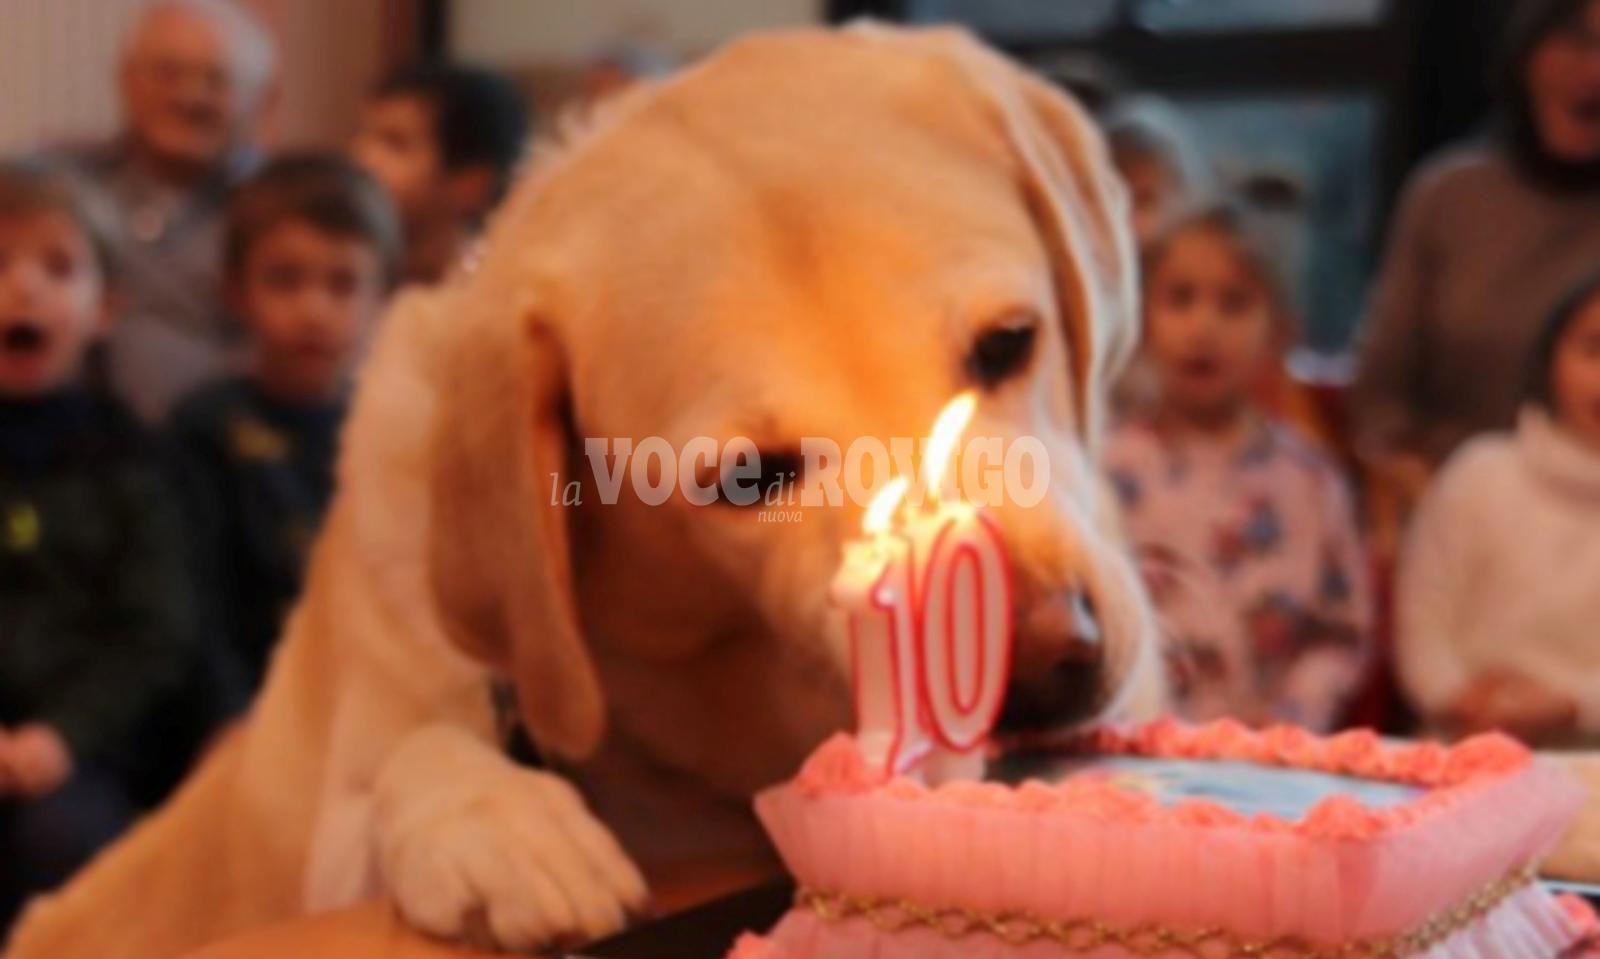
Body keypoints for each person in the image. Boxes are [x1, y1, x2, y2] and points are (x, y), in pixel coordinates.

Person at [0, 162, 196, 932]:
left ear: (105, 306)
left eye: (57, 267)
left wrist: (64, 734)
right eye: (0, 263)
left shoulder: (134, 459)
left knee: (62, 840)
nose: (22, 289)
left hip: (85, 751)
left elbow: (155, 633)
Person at [1104, 203, 1373, 731]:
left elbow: (1342, 631)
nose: (1203, 328)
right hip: (1135, 746)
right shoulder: (1105, 465)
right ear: (1141, 320)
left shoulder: (1309, 479)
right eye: (1180, 299)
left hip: (1270, 752)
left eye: (1234, 304)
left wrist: (1291, 715)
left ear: (1278, 332)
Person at [167, 155, 399, 713]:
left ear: (384, 298)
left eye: (343, 284)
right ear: (235, 291)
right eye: (284, 280)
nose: (313, 310)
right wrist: (230, 721)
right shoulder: (204, 429)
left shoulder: (396, 431)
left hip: (374, 703)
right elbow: (195, 610)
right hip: (248, 710)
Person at [1354, 0, 1600, 498]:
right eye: (1577, 40)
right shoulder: (1447, 196)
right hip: (1445, 494)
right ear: (1527, 48)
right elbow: (1379, 399)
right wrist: (1436, 493)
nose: (1594, 69)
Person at [1396, 273, 1600, 748]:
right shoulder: (1480, 473)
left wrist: (1571, 703)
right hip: (1460, 739)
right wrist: (1457, 698)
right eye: (1594, 349)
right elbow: (1423, 619)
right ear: (1550, 356)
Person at [53, 0, 277, 424]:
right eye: (168, 73)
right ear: (126, 80)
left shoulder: (283, 209)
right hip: (65, 446)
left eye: (217, 80)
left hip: (227, 448)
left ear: (261, 99)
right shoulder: (61, 183)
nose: (190, 96)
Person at [350, 62, 528, 286]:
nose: (363, 157)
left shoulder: (500, 294)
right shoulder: (353, 287)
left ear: (471, 183)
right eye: (362, 135)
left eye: (395, 143)